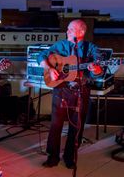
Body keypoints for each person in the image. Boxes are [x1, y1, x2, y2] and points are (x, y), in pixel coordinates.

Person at [38, 19, 103, 169]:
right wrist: (49, 68)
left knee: (77, 126)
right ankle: (52, 157)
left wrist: (97, 69)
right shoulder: (61, 45)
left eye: (70, 30)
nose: (67, 32)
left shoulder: (90, 48)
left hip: (81, 90)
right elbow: (41, 56)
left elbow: (98, 71)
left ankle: (70, 157)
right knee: (55, 125)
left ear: (81, 33)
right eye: (67, 29)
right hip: (61, 89)